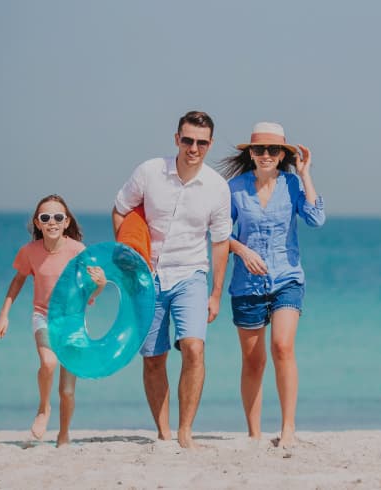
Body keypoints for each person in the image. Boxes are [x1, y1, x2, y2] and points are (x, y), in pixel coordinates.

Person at [111, 110, 232, 449]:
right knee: (154, 358)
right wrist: (127, 258)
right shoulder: (149, 172)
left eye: (201, 143)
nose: (194, 148)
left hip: (190, 274)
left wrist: (216, 293)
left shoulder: (217, 188)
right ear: (177, 139)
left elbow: (220, 242)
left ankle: (185, 431)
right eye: (188, 140)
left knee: (194, 347)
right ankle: (164, 433)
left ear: (210, 144)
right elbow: (120, 209)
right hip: (147, 277)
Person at [218, 122, 325, 448]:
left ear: (282, 155)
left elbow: (316, 219)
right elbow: (219, 233)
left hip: (286, 279)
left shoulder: (292, 184)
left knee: (282, 346)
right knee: (253, 362)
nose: (266, 154)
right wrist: (242, 249)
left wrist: (305, 174)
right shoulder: (233, 188)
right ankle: (254, 433)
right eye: (259, 149)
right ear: (251, 153)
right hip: (246, 285)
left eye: (273, 150)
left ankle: (288, 428)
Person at [0, 194, 105, 447]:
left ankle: (63, 435)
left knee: (67, 390)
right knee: (48, 362)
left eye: (57, 217)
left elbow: (91, 290)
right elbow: (18, 281)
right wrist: (3, 314)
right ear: (37, 223)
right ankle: (43, 408)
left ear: (66, 222)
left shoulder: (78, 251)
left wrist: (101, 284)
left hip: (73, 321)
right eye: (45, 217)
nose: (51, 221)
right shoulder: (29, 251)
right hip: (42, 315)